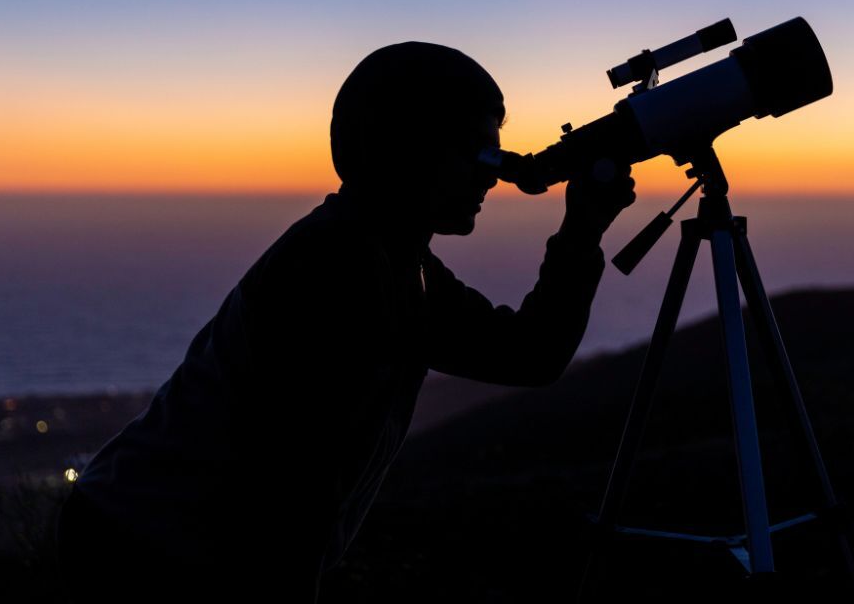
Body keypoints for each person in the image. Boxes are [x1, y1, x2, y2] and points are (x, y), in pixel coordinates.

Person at [56, 42, 636, 600]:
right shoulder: (337, 269)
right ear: (407, 151)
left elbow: (528, 355)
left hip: (158, 543)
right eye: (477, 153)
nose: (492, 176)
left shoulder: (399, 259)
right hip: (147, 556)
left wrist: (582, 231)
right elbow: (287, 506)